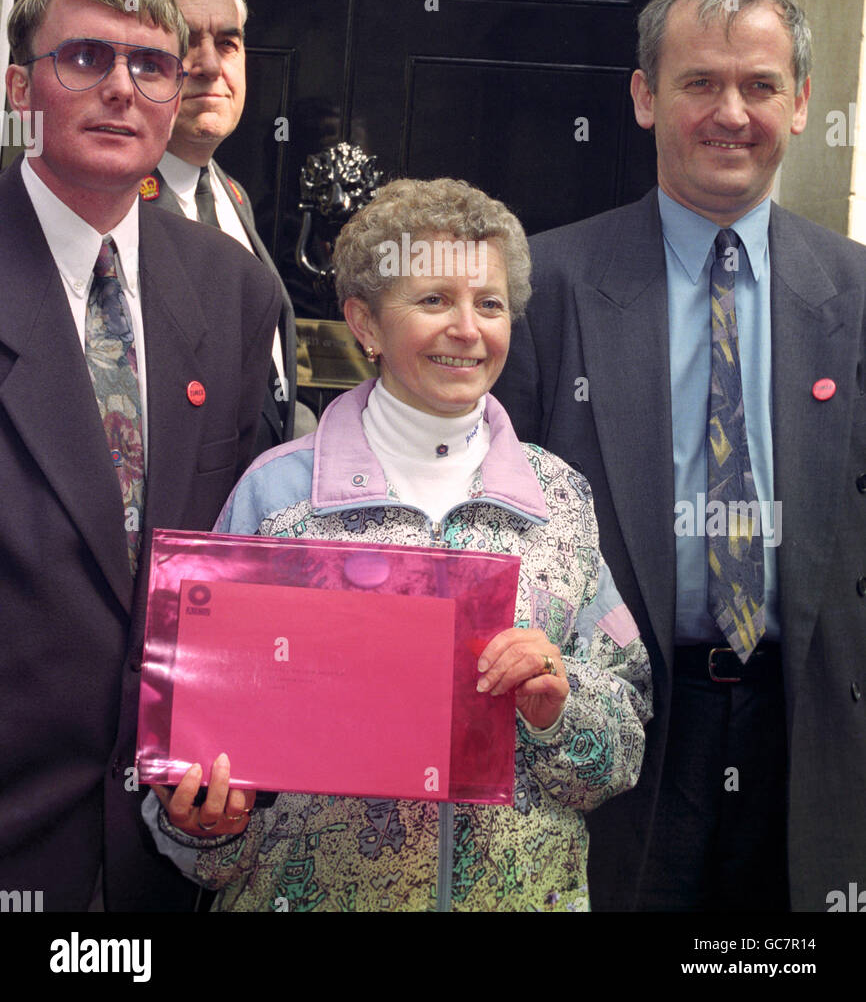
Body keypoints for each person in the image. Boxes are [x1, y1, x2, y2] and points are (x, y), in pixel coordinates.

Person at [146, 177, 652, 911]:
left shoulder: (558, 501)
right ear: (366, 324)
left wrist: (557, 705)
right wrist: (205, 822)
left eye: (490, 304)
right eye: (433, 300)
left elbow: (624, 738)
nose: (467, 329)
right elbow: (194, 757)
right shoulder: (279, 498)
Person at [495, 0, 866, 913]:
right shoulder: (548, 285)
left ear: (802, 104)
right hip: (613, 726)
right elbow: (499, 522)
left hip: (809, 732)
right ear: (645, 97)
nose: (730, 112)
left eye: (759, 85)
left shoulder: (857, 295)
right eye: (700, 82)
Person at [0, 0, 281, 911]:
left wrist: (230, 756)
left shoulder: (234, 290)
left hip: (164, 846)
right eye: (85, 58)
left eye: (149, 65)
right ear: (18, 89)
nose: (121, 87)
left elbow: (236, 560)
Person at [142, 0, 314, 449]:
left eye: (228, 43)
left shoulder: (231, 193)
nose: (211, 65)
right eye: (185, 42)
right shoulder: (110, 205)